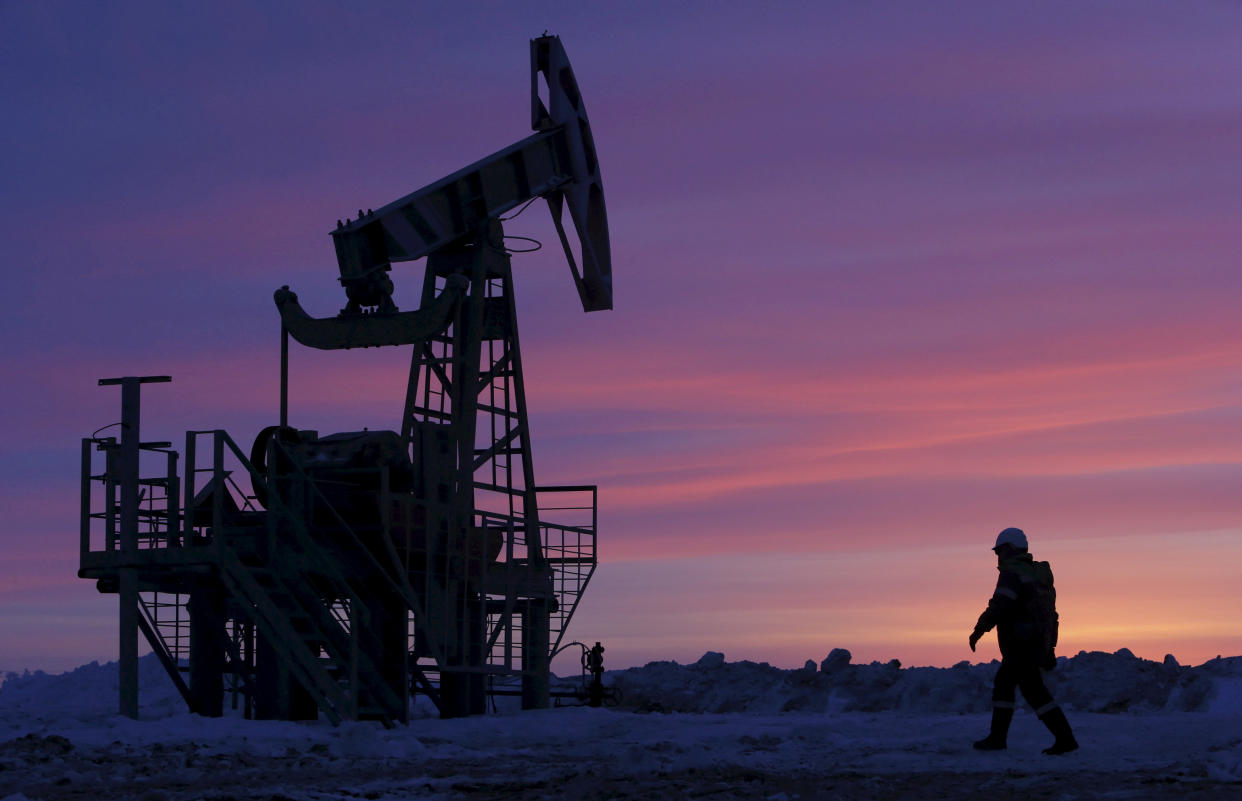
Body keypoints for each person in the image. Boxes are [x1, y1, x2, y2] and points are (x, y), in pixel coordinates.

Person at [969, 527, 1078, 755]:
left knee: (1013, 685)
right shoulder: (1039, 575)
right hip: (1036, 643)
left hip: (1020, 643)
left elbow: (1000, 604)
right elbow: (1051, 615)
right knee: (1026, 688)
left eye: (999, 551)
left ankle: (1000, 739)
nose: (998, 556)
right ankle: (1063, 738)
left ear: (1009, 548)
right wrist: (1050, 648)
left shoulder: (1012, 573)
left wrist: (979, 629)